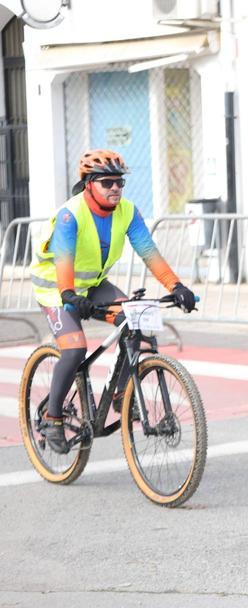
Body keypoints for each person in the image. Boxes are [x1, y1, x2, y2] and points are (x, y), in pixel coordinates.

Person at [29, 149, 197, 453]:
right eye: (108, 183)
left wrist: (177, 286)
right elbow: (64, 261)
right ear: (89, 184)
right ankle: (53, 419)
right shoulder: (71, 214)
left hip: (92, 284)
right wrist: (69, 297)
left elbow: (149, 253)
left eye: (120, 183)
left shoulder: (128, 212)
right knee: (75, 348)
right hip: (56, 287)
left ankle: (121, 395)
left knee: (138, 325)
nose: (116, 189)